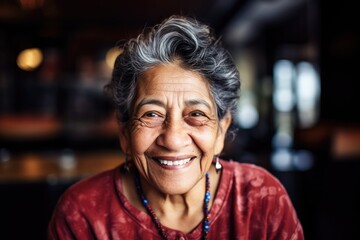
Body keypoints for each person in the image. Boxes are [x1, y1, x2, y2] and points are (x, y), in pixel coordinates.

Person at [48, 15, 304, 240]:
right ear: (124, 132)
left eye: (196, 114)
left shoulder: (261, 199)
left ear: (221, 131)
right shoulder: (83, 214)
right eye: (151, 114)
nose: (172, 139)